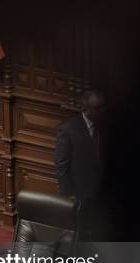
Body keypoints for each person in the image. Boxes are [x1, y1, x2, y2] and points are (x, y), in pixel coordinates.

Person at [55, 89, 109, 239]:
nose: (102, 111)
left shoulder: (106, 125)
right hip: (80, 193)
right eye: (97, 108)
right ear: (85, 108)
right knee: (80, 234)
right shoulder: (68, 129)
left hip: (102, 192)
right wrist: (68, 194)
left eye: (103, 107)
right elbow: (61, 165)